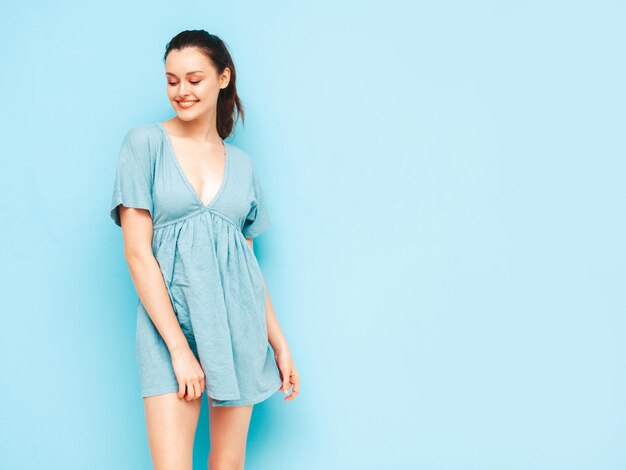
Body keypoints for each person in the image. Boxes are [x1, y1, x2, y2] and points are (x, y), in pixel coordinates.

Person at [109, 29, 299, 470]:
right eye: (172, 80)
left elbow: (246, 264)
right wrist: (179, 349)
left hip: (240, 329)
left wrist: (279, 343)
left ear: (223, 78)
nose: (182, 91)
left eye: (194, 79)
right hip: (168, 332)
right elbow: (137, 255)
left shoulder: (244, 166)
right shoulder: (144, 144)